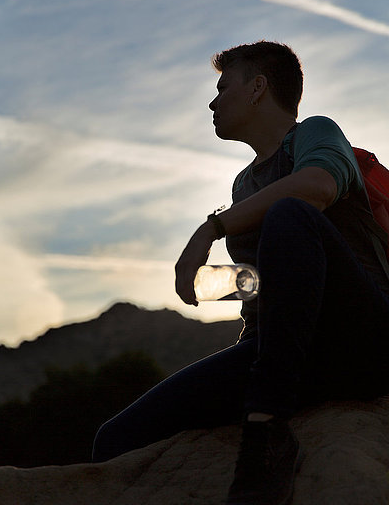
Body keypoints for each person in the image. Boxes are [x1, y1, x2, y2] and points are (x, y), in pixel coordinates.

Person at [92, 41, 389, 505]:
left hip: (360, 335)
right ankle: (267, 397)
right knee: (113, 441)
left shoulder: (314, 134)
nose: (213, 101)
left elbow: (318, 187)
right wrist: (230, 288)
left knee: (290, 214)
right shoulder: (244, 184)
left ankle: (266, 430)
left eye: (222, 87)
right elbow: (267, 286)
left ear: (257, 89)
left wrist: (209, 229)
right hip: (280, 351)